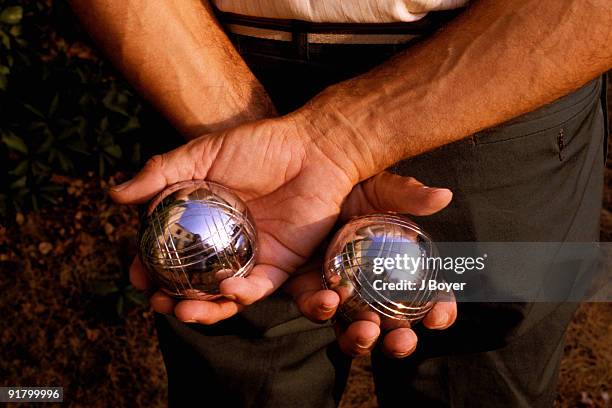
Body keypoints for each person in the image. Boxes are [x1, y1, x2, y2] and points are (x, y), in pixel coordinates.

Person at [72, 0, 611, 406]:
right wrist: (253, 137)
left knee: (481, 374)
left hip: (501, 80)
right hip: (205, 77)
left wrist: (343, 140)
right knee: (240, 386)